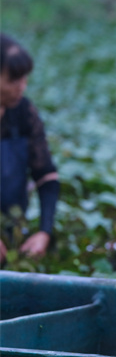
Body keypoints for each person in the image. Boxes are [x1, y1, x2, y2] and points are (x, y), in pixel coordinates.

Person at [0, 33, 60, 262]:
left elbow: (46, 178)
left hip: (11, 234)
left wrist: (44, 231)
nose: (22, 87)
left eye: (24, 79)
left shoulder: (23, 113)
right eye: (13, 80)